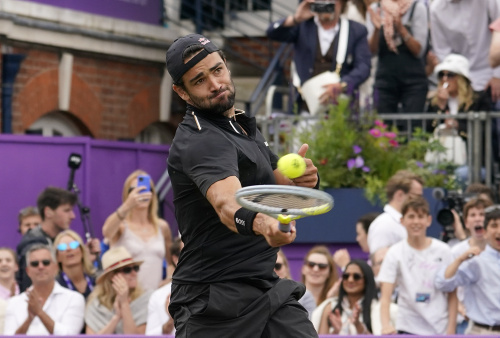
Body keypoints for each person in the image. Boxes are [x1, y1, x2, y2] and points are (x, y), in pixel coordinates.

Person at [165, 33, 319, 337]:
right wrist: (264, 225)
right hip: (211, 301)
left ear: (226, 66)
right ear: (182, 93)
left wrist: (305, 181)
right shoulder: (202, 140)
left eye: (217, 70)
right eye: (199, 80)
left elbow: (278, 186)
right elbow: (227, 204)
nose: (215, 84)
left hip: (264, 287)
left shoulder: (241, 127)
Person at [266, 0, 371, 110]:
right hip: (303, 107)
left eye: (331, 1)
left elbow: (364, 66)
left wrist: (342, 85)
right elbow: (272, 32)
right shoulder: (302, 26)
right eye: (322, 1)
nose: (327, 5)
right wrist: (296, 18)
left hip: (340, 110)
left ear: (341, 3)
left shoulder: (356, 30)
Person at [378, 195, 457, 335]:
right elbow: (385, 296)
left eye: (420, 216)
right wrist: (386, 325)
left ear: (428, 220)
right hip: (408, 328)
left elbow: (452, 294)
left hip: (440, 328)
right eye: (411, 216)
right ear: (402, 221)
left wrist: (451, 330)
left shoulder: (444, 250)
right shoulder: (394, 253)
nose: (416, 222)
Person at [102, 170, 173, 291]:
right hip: (127, 297)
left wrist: (169, 279)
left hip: (154, 298)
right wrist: (127, 205)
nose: (140, 193)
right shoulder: (121, 226)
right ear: (127, 195)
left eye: (145, 189)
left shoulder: (162, 226)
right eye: (133, 190)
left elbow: (171, 261)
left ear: (152, 194)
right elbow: (107, 232)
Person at [435, 204, 500, 335]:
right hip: (483, 331)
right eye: (494, 225)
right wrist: (459, 260)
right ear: (485, 232)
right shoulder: (477, 262)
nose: (499, 230)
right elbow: (443, 283)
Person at [4, 244, 85, 335]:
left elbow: (69, 335)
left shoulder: (74, 298)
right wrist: (29, 320)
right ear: (28, 271)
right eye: (35, 264)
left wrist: (39, 313)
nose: (40, 267)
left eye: (46, 262)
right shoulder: (14, 303)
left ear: (56, 267)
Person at [430, 0, 500, 105]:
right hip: (461, 81)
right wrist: (452, 79)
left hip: (492, 75)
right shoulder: (436, 9)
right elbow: (442, 51)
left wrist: (497, 75)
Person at [367, 0, 429, 117]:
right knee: (383, 128)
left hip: (413, 82)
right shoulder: (376, 9)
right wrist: (376, 29)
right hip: (385, 81)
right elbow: (371, 51)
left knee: (413, 127)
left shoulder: (417, 8)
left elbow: (419, 51)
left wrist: (401, 28)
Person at [16, 187, 77, 292]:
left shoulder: (56, 240)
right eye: (67, 210)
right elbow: (32, 290)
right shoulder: (33, 245)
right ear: (48, 212)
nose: (73, 216)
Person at [313, 259, 394, 335]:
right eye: (346, 276)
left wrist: (359, 326)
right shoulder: (330, 307)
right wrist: (336, 331)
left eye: (356, 276)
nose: (350, 280)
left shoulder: (377, 308)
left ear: (367, 280)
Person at [85, 246, 152, 335]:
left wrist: (124, 304)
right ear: (111, 276)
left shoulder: (146, 299)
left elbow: (134, 337)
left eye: (135, 268)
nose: (134, 273)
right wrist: (116, 317)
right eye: (127, 270)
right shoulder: (96, 304)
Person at [367, 170, 424, 254]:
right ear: (399, 195)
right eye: (416, 196)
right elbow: (379, 264)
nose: (420, 202)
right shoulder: (383, 225)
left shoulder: (400, 222)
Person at [145, 237, 183, 335]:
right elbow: (150, 335)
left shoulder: (215, 290)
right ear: (175, 259)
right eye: (188, 254)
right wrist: (171, 320)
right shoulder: (158, 296)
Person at [53, 230, 96, 299]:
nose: (68, 249)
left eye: (74, 245)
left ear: (82, 251)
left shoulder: (97, 279)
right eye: (62, 247)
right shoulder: (55, 287)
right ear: (57, 257)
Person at [275, 249, 316, 318]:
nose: (274, 270)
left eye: (277, 266)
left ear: (286, 269)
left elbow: (307, 325)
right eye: (270, 267)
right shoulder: (255, 293)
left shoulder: (304, 296)